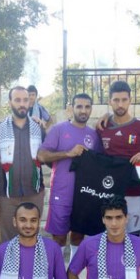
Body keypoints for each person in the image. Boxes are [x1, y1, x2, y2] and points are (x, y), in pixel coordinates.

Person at [37, 93, 102, 257]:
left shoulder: (94, 135)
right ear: (71, 108)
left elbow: (99, 163)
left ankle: (73, 272)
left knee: (78, 236)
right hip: (61, 193)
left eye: (87, 107)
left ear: (91, 109)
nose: (83, 110)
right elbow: (42, 155)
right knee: (59, 238)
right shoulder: (58, 130)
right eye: (79, 106)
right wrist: (68, 153)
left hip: (83, 195)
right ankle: (57, 274)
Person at [0, 86, 46, 243]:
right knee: (7, 241)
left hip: (34, 193)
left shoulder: (38, 128)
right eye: (17, 100)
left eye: (25, 100)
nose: (22, 104)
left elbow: (47, 156)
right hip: (7, 196)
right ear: (10, 102)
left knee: (32, 240)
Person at [97, 80, 140, 235]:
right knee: (109, 235)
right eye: (116, 100)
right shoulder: (102, 127)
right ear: (109, 101)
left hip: (134, 191)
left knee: (133, 237)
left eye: (124, 100)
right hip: (108, 190)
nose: (120, 104)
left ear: (130, 100)